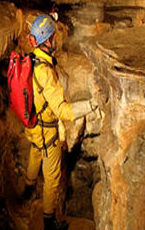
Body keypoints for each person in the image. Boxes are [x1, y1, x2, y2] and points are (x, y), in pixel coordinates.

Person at [23, 14, 97, 230]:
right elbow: (64, 111)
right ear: (47, 40)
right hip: (47, 133)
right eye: (53, 36)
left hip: (33, 126)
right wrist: (91, 105)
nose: (56, 40)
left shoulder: (32, 58)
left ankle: (27, 189)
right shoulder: (45, 72)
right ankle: (49, 221)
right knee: (52, 179)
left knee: (34, 153)